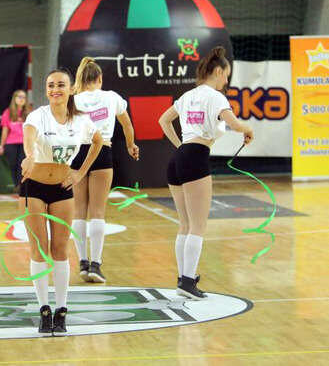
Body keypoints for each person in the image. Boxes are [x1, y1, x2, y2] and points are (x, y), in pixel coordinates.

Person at [158, 46, 253, 300]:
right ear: (218, 71)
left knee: (185, 224)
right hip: (196, 157)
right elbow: (234, 123)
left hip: (179, 158)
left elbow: (163, 120)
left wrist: (180, 147)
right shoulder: (216, 97)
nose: (226, 81)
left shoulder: (187, 96)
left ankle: (183, 278)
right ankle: (188, 281)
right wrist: (247, 129)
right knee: (198, 226)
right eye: (226, 76)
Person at [20, 69, 103, 336]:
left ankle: (61, 309)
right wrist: (29, 156)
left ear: (71, 89)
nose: (55, 89)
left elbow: (98, 142)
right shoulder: (38, 115)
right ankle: (44, 309)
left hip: (63, 188)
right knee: (39, 248)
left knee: (60, 249)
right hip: (33, 186)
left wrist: (80, 172)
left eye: (60, 85)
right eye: (50, 85)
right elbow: (29, 137)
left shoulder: (82, 121)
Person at [70, 57, 139, 284]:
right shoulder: (111, 97)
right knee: (98, 212)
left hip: (78, 153)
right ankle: (96, 265)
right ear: (99, 78)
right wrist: (131, 145)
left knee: (79, 211)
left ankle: (82, 262)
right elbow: (127, 124)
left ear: (81, 78)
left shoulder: (73, 100)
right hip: (102, 151)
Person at [0, 90, 30, 191]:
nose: (21, 99)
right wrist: (1, 146)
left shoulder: (29, 113)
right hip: (11, 144)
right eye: (19, 97)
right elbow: (5, 132)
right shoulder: (8, 112)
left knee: (22, 165)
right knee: (12, 165)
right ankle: (13, 186)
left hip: (25, 144)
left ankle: (21, 186)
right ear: (14, 99)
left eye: (24, 97)